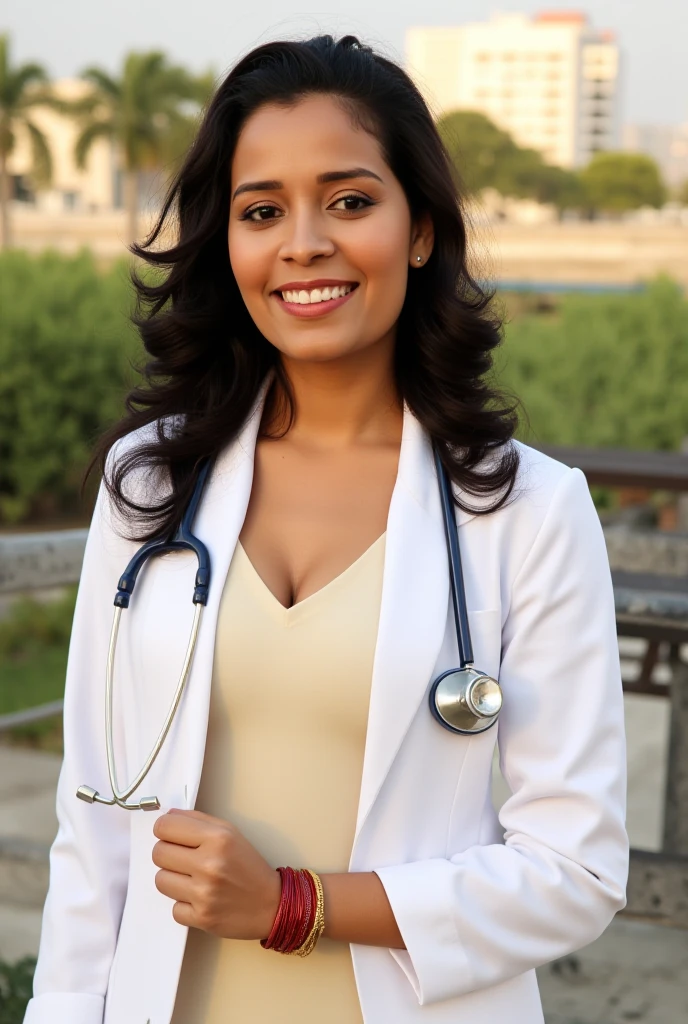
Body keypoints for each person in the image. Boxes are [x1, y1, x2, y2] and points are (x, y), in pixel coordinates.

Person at [24, 34, 628, 1024]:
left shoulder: (527, 511)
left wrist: (294, 903)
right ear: (230, 240)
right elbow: (94, 825)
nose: (303, 242)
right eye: (262, 211)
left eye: (349, 201)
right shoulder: (151, 484)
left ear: (421, 228)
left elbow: (575, 868)